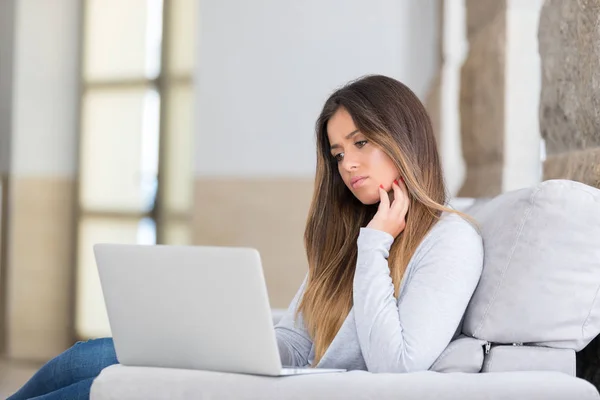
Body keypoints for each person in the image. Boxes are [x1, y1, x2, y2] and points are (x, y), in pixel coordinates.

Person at [8, 75, 483, 399]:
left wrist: (376, 246)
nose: (348, 165)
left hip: (298, 393)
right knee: (88, 356)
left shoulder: (450, 241)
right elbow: (298, 344)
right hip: (277, 379)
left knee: (90, 389)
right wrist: (221, 344)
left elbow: (397, 367)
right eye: (338, 153)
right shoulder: (355, 235)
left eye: (361, 143)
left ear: (405, 138)